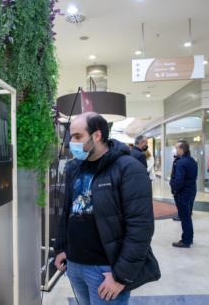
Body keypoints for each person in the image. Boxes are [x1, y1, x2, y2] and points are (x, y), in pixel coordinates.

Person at [54, 112, 160, 305]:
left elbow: (140, 227)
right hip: (75, 265)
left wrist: (121, 276)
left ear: (97, 135)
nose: (72, 142)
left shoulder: (128, 168)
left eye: (78, 136)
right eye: (71, 137)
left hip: (105, 270)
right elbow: (68, 211)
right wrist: (61, 247)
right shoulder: (75, 168)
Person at [170, 140, 198, 248]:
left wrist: (175, 190)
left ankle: (186, 240)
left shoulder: (181, 163)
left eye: (177, 148)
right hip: (191, 191)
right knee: (187, 216)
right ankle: (189, 238)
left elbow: (179, 180)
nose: (175, 150)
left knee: (185, 217)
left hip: (183, 194)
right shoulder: (192, 161)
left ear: (182, 149)